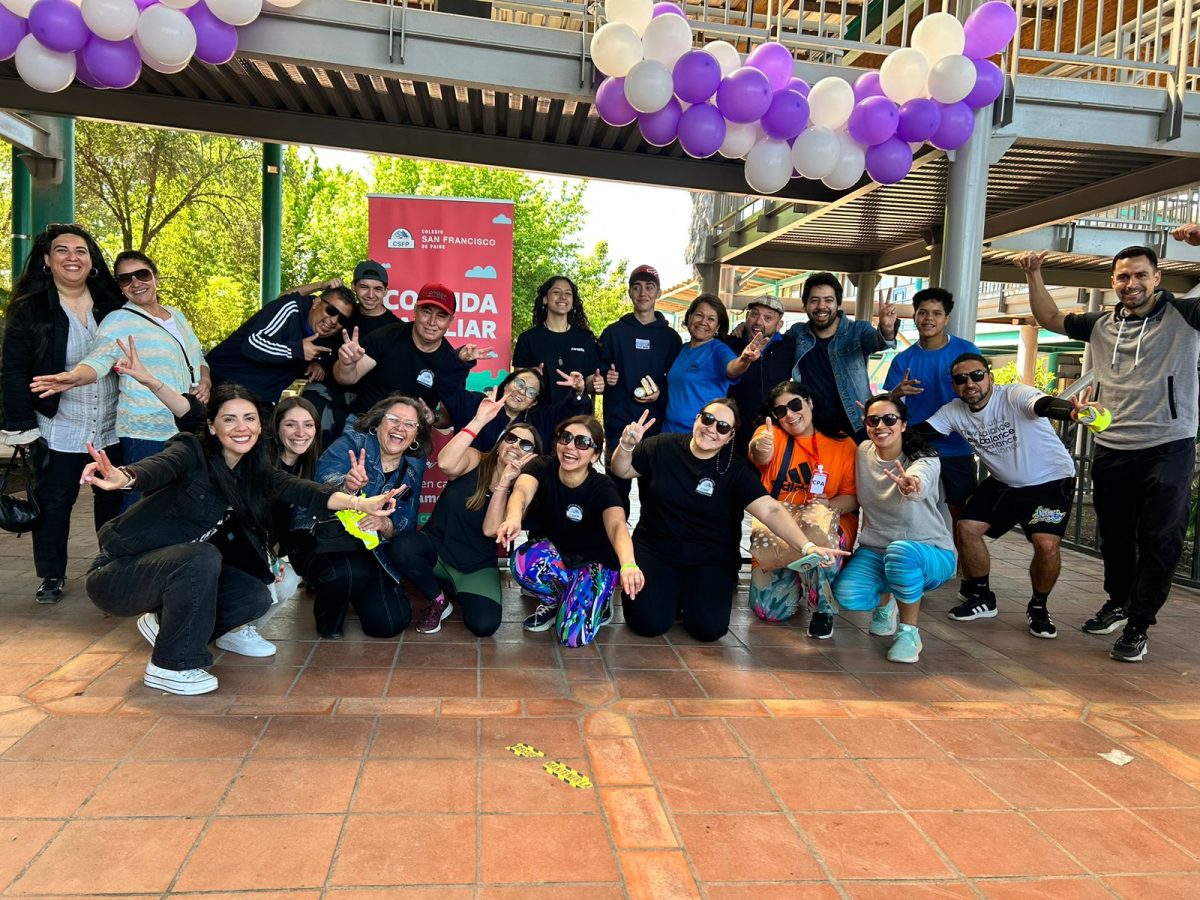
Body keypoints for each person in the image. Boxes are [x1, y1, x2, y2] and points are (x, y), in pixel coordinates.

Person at [81, 383, 398, 695]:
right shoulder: (191, 451)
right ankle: (170, 665)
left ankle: (165, 625)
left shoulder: (254, 472)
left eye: (249, 418)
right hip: (119, 573)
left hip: (173, 574)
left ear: (260, 426)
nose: (241, 427)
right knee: (201, 556)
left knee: (254, 596)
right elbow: (157, 468)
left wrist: (360, 503)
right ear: (212, 425)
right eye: (229, 419)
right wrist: (124, 477)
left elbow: (308, 492)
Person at [1019, 245, 1200, 662]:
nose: (1131, 284)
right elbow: (1049, 318)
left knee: (1159, 538)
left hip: (1167, 446)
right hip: (1114, 446)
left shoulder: (1185, 316)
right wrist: (1033, 275)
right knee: (1116, 537)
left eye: (1140, 275)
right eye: (1122, 277)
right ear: (1112, 282)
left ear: (1157, 278)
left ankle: (1139, 623)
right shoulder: (1101, 323)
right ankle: (1118, 602)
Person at [610, 398, 844, 642]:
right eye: (708, 419)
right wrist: (626, 447)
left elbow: (770, 510)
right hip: (656, 550)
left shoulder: (735, 469)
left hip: (710, 556)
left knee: (708, 629)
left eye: (722, 427)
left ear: (730, 437)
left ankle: (684, 594)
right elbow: (621, 470)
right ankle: (673, 593)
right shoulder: (661, 446)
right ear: (697, 418)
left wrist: (806, 546)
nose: (712, 429)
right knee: (648, 624)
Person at [915, 353, 1092, 639]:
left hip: (1049, 481)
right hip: (1004, 482)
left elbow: (1042, 404)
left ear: (990, 377)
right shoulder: (954, 410)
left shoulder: (1013, 395)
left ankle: (1038, 606)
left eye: (976, 375)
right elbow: (923, 431)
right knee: (966, 527)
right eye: (961, 379)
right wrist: (883, 424)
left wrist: (1070, 412)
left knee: (1046, 544)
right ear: (954, 385)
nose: (969, 383)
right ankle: (982, 596)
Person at [0, 223, 125, 604]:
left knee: (113, 501)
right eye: (62, 250)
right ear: (46, 260)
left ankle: (111, 566)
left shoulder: (113, 305)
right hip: (58, 424)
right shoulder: (30, 309)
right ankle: (52, 574)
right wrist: (23, 428)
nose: (73, 257)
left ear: (92, 262)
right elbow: (13, 370)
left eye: (81, 251)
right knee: (55, 504)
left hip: (112, 422)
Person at [29, 250, 209, 509]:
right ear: (121, 288)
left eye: (142, 274)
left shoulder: (175, 315)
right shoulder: (118, 321)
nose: (136, 283)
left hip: (188, 424)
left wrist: (205, 382)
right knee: (139, 507)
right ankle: (123, 551)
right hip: (145, 432)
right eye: (125, 279)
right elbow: (97, 361)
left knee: (177, 505)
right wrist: (74, 378)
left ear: (156, 277)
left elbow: (198, 358)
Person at [494, 415, 643, 646]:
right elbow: (522, 493)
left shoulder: (602, 486)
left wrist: (629, 563)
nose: (571, 447)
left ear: (594, 455)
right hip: (560, 556)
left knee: (572, 638)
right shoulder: (542, 466)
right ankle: (557, 600)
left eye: (583, 442)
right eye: (566, 438)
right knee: (522, 561)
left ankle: (599, 602)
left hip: (595, 562)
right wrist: (513, 518)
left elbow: (617, 526)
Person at [833, 395, 956, 665]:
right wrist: (825, 507)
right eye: (873, 420)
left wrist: (910, 484)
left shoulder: (925, 458)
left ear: (903, 424)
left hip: (930, 553)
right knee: (848, 595)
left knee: (901, 553)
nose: (880, 426)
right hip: (877, 550)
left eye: (889, 419)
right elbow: (856, 496)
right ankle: (886, 603)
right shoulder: (863, 451)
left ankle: (909, 632)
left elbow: (919, 481)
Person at [411, 396, 542, 636]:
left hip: (476, 568)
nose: (515, 446)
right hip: (438, 552)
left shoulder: (525, 489)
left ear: (533, 456)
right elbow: (446, 463)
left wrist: (504, 483)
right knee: (403, 547)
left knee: (484, 626)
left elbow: (491, 530)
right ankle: (439, 599)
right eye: (511, 439)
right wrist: (479, 420)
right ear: (500, 443)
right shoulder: (476, 459)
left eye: (526, 445)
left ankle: (453, 587)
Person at [308, 395, 430, 639]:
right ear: (378, 423)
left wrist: (386, 524)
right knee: (349, 573)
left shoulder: (414, 467)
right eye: (394, 419)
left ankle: (356, 591)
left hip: (373, 551)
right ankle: (329, 614)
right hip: (333, 543)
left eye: (409, 424)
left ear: (416, 436)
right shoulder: (352, 444)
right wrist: (348, 486)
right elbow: (321, 482)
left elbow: (405, 524)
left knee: (390, 624)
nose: (400, 428)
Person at [747, 382, 858, 638]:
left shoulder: (842, 443)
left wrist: (827, 506)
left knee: (818, 538)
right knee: (769, 611)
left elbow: (852, 498)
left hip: (828, 523)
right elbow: (758, 453)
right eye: (780, 411)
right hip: (780, 527)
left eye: (795, 404)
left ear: (810, 402)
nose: (789, 414)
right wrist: (760, 448)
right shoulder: (770, 434)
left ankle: (822, 608)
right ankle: (796, 579)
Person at [883, 288, 981, 526]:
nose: (929, 319)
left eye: (937, 313)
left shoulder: (966, 351)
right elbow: (888, 406)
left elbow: (981, 391)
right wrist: (897, 392)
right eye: (923, 313)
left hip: (958, 446)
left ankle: (962, 565)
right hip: (918, 447)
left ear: (946, 318)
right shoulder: (903, 359)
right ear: (915, 317)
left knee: (964, 516)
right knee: (911, 508)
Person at [597, 264, 682, 511]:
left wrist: (660, 394)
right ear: (630, 293)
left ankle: (648, 549)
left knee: (655, 498)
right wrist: (605, 378)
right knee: (614, 498)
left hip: (655, 431)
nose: (643, 293)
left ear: (658, 293)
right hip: (617, 426)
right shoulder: (614, 332)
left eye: (649, 287)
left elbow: (677, 382)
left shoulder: (671, 338)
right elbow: (598, 374)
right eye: (637, 287)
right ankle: (614, 547)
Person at [334, 282, 467, 422]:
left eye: (441, 316)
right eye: (426, 312)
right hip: (366, 426)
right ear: (415, 310)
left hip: (410, 436)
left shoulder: (452, 363)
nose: (432, 322)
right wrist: (347, 364)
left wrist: (433, 416)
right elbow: (345, 378)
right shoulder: (386, 336)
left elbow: (450, 415)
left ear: (451, 320)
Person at [787, 273, 897, 440]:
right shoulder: (798, 333)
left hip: (856, 425)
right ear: (805, 305)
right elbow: (773, 343)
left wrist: (887, 328)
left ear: (838, 304)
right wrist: (744, 328)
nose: (821, 306)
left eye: (828, 300)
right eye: (814, 300)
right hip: (813, 428)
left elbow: (879, 342)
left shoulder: (858, 330)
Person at [205, 282, 354, 404]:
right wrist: (296, 350)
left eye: (342, 319)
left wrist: (318, 364)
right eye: (331, 310)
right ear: (316, 302)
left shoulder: (330, 336)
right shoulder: (291, 308)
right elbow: (253, 344)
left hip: (257, 402)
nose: (334, 321)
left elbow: (327, 358)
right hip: (215, 385)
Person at [302, 261, 393, 445]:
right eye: (364, 287)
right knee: (305, 423)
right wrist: (317, 362)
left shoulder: (394, 328)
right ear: (353, 287)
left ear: (385, 291)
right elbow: (323, 342)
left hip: (365, 401)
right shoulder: (343, 312)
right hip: (328, 391)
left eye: (377, 289)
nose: (370, 294)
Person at [663, 294, 767, 433]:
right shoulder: (682, 349)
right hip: (668, 431)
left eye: (711, 319)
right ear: (689, 317)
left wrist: (744, 360)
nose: (703, 322)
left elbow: (732, 368)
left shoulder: (718, 349)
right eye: (699, 315)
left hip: (699, 435)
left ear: (717, 327)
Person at [440, 363, 592, 451]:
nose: (522, 391)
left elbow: (572, 411)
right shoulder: (478, 404)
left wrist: (578, 391)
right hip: (469, 485)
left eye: (531, 391)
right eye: (519, 384)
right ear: (506, 384)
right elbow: (448, 389)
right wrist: (461, 362)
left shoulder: (541, 420)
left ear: (534, 402)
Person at [513, 275, 602, 409]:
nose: (563, 297)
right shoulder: (528, 338)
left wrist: (595, 384)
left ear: (572, 303)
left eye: (568, 293)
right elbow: (516, 382)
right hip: (538, 417)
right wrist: (531, 376)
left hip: (578, 419)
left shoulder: (585, 338)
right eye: (556, 292)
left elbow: (590, 383)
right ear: (545, 299)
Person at [723, 297, 798, 457]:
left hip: (774, 430)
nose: (758, 321)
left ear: (779, 325)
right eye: (754, 315)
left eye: (768, 318)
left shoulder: (789, 346)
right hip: (734, 429)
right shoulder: (731, 343)